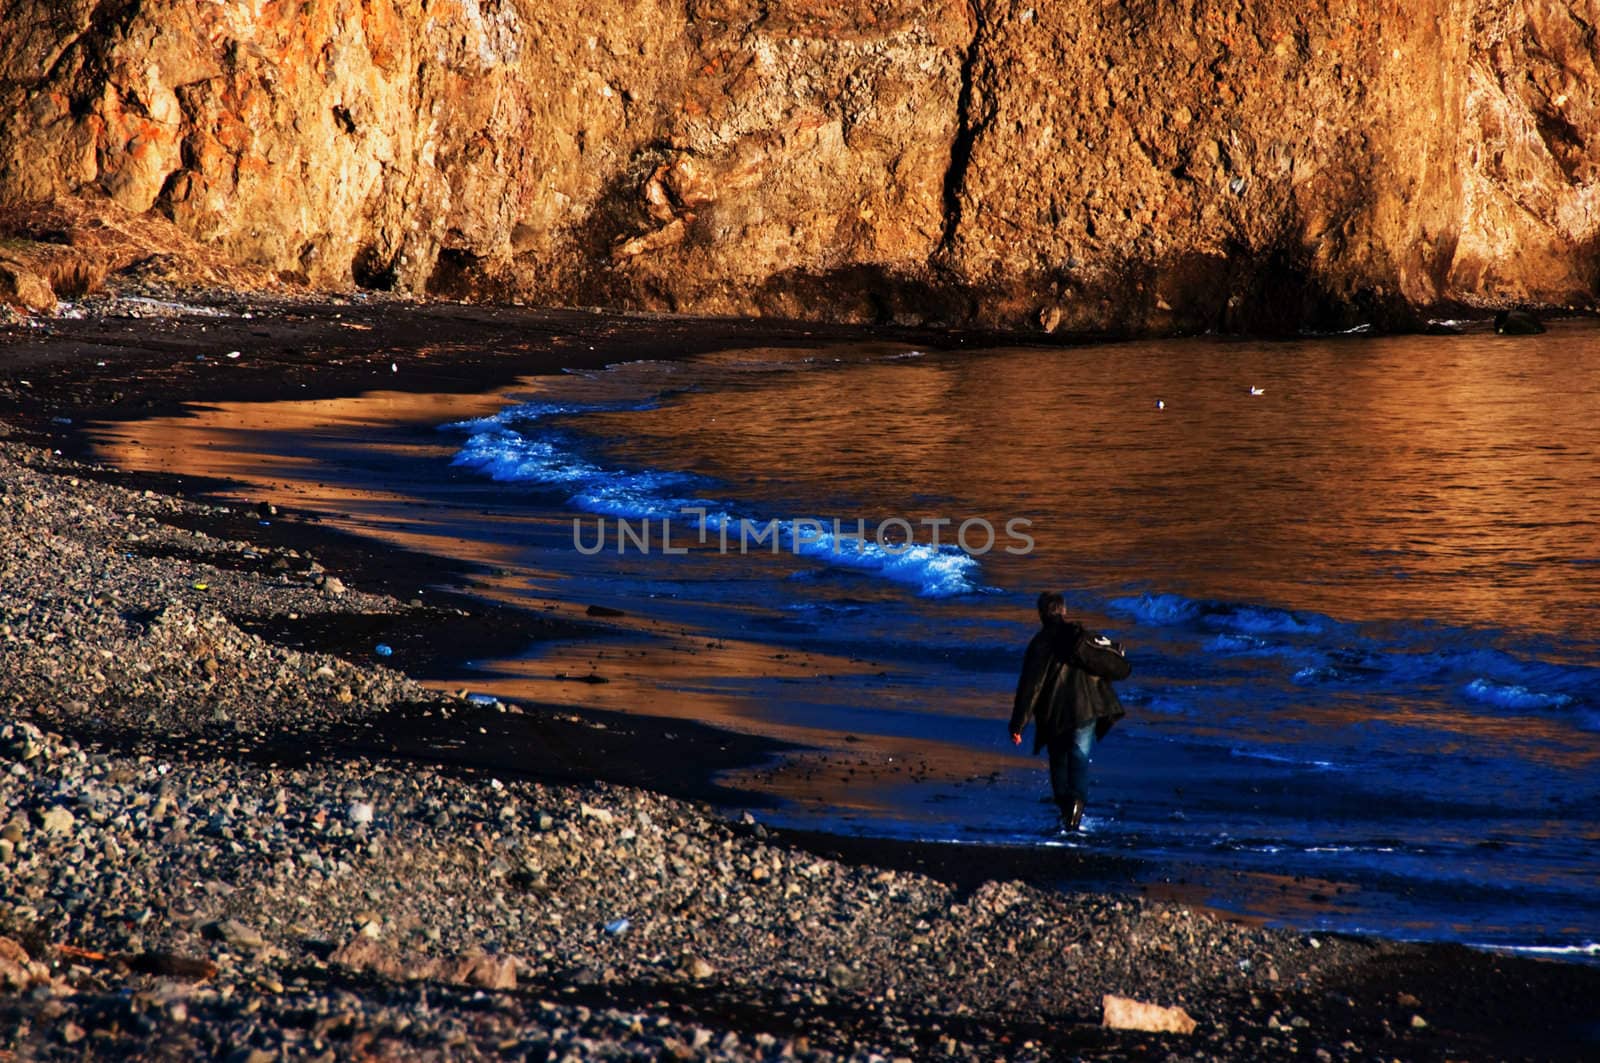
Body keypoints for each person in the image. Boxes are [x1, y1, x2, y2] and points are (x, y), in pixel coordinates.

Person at [1009, 591, 1131, 832]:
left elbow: (1030, 687)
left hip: (1054, 712)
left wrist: (1018, 725)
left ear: (1041, 613)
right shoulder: (1081, 637)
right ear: (1063, 611)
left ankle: (1067, 811)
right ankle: (1076, 810)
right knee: (1080, 759)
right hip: (1086, 709)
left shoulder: (1040, 643)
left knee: (1058, 762)